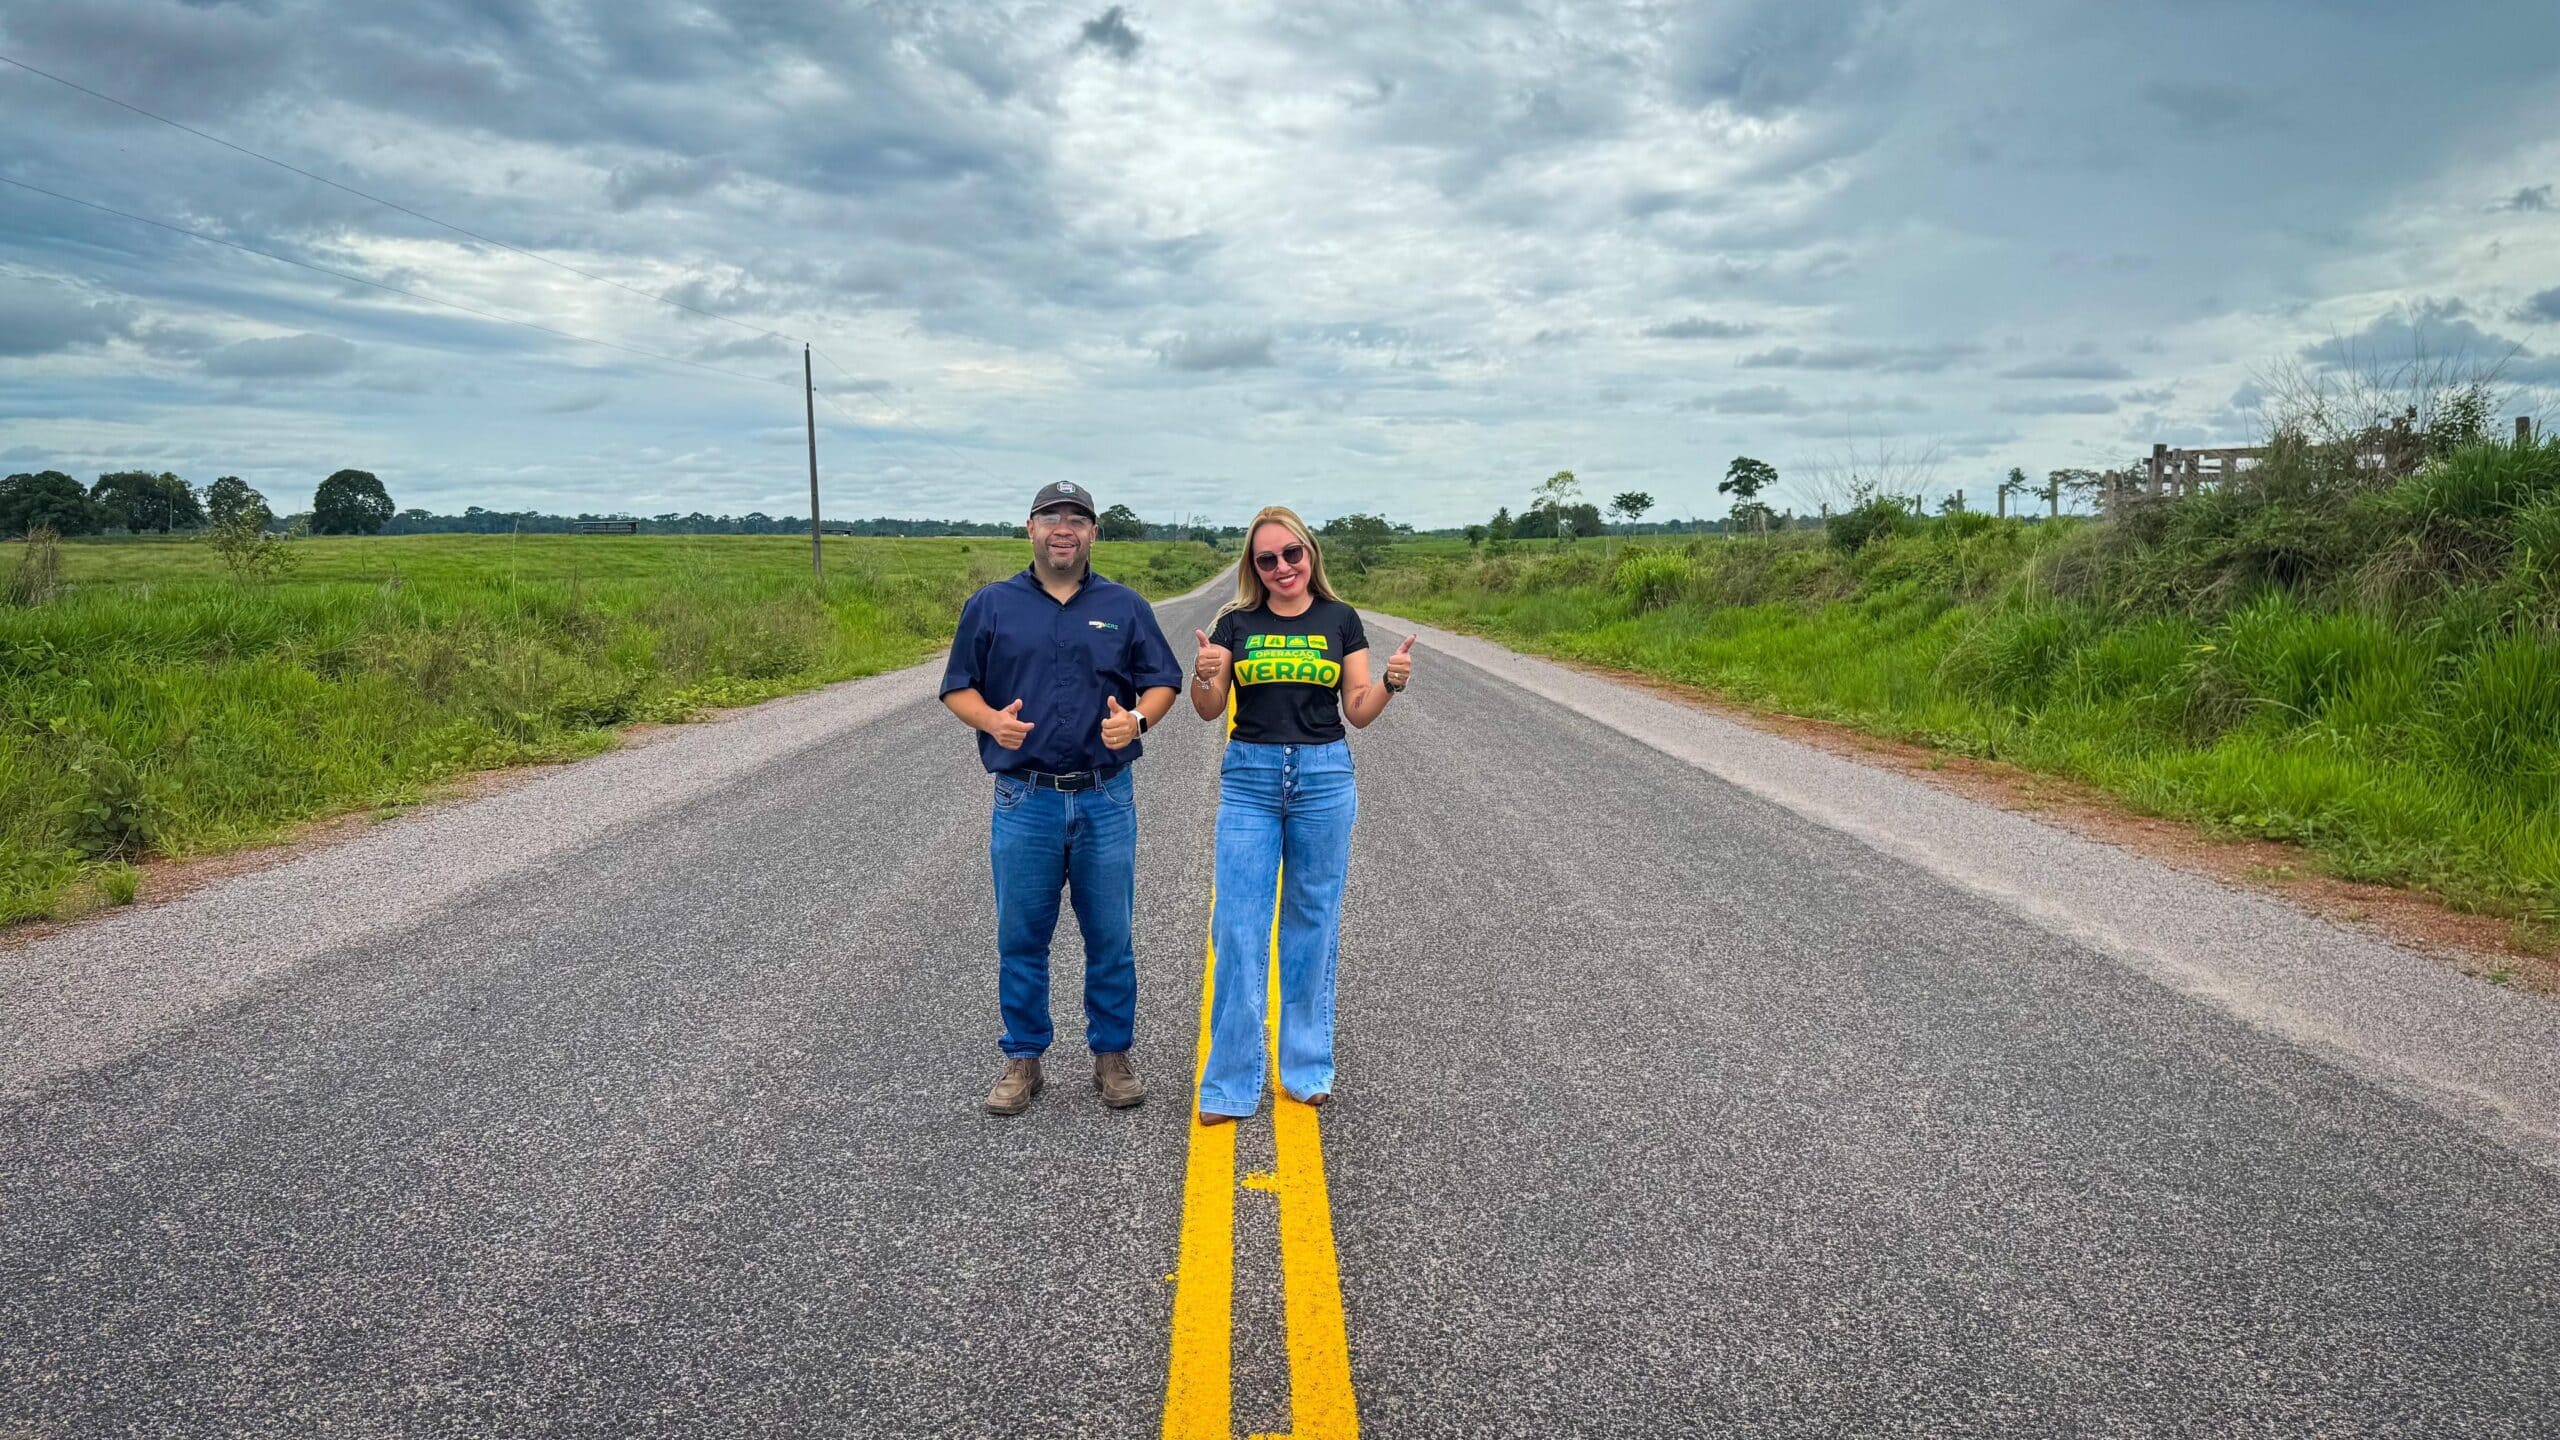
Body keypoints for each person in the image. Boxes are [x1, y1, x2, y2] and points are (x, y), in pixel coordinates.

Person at [941, 481, 1182, 1116]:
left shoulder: (1124, 606)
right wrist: (991, 722)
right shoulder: (992, 605)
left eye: (1077, 518)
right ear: (1030, 529)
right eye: (1052, 517)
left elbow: (1162, 682)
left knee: (1111, 936)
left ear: (1093, 533)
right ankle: (1023, 1059)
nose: (1064, 528)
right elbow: (957, 687)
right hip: (1027, 799)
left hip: (1106, 797)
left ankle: (1112, 1055)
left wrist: (1137, 722)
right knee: (1022, 935)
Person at [1187, 506, 1414, 1123]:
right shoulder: (1235, 623)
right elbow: (1209, 710)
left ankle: (1306, 1068)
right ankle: (1231, 1083)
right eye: (1267, 559)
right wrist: (1205, 675)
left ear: (1310, 553)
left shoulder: (1341, 620)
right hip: (1250, 780)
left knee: (1312, 922)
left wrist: (1390, 683)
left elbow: (1359, 710)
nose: (1282, 567)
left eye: (1292, 553)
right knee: (1237, 927)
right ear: (1253, 567)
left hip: (1323, 777)